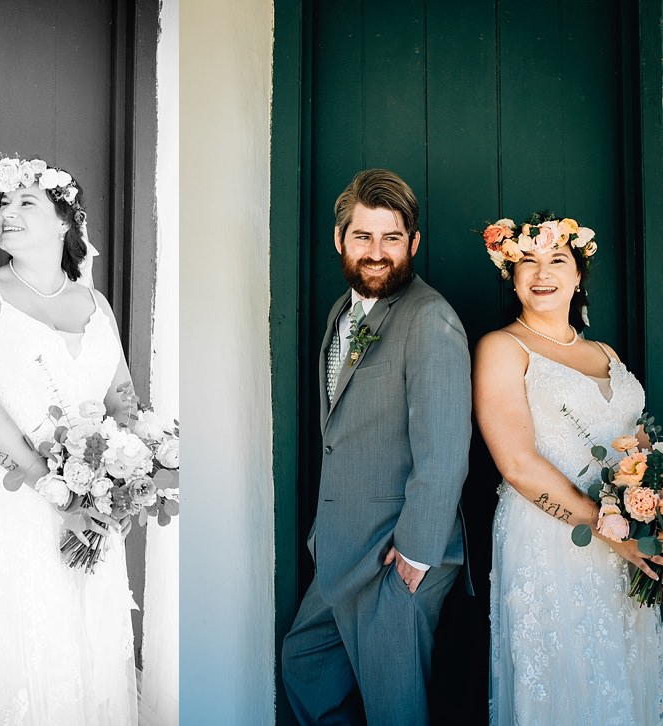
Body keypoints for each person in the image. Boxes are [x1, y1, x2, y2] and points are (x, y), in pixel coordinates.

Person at [0, 156, 138, 724]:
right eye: (3, 204)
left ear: (63, 221)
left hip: (92, 506)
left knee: (85, 641)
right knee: (19, 637)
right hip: (10, 499)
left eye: (26, 202)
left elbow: (122, 401)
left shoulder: (95, 304)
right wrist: (60, 491)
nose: (8, 213)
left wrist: (114, 491)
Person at [281, 168, 471, 725]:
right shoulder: (345, 310)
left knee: (395, 708)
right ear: (340, 240)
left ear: (413, 243)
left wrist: (415, 553)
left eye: (392, 238)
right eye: (363, 236)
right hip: (343, 549)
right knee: (306, 660)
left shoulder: (430, 319)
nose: (377, 252)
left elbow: (444, 450)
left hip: (397, 556)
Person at [475, 213, 663, 724]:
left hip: (627, 545)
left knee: (623, 677)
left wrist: (653, 512)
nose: (542, 273)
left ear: (578, 274)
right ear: (511, 275)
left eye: (557, 259)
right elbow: (516, 463)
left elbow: (639, 446)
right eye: (527, 262)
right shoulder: (500, 348)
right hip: (551, 537)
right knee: (568, 682)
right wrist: (609, 528)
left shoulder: (605, 352)